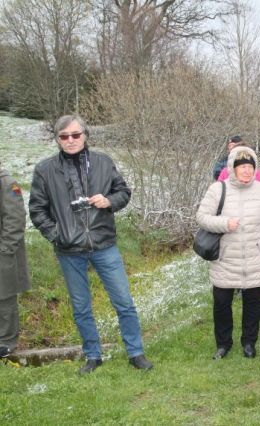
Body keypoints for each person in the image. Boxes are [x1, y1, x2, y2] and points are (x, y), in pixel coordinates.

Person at [29, 115, 153, 374]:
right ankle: (93, 356)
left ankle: (135, 352)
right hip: (69, 250)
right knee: (81, 306)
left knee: (124, 302)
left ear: (85, 135)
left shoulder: (103, 162)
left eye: (75, 135)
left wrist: (108, 201)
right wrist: (57, 235)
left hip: (104, 244)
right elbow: (37, 211)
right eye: (64, 137)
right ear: (57, 139)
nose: (70, 140)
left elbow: (123, 192)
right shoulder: (45, 169)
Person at [196, 146, 260, 359]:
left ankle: (249, 342)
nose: (246, 171)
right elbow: (202, 217)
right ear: (232, 168)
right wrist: (225, 223)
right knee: (222, 304)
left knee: (253, 303)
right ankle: (223, 344)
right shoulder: (218, 189)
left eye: (250, 167)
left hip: (255, 258)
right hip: (225, 259)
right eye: (241, 167)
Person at [0, 165, 31, 358]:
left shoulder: (6, 183)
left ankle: (6, 343)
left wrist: (4, 250)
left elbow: (15, 219)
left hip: (4, 253)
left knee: (4, 297)